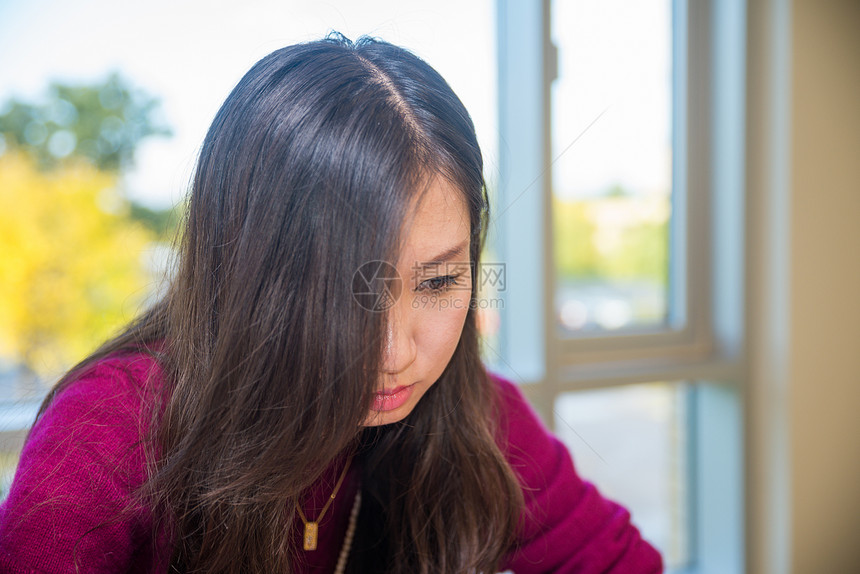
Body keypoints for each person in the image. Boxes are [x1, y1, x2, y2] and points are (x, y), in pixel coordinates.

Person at [0, 34, 663, 573]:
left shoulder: (474, 415)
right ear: (250, 273)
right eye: (343, 291)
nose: (398, 354)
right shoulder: (107, 434)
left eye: (437, 283)